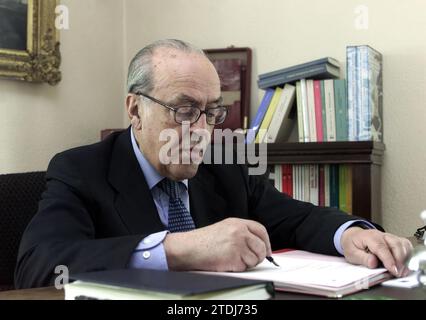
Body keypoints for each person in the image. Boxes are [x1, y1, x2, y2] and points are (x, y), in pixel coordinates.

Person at [15, 39, 412, 289]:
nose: (202, 130)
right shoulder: (80, 170)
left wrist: (349, 233)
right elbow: (38, 267)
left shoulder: (227, 163)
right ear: (135, 110)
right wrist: (178, 250)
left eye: (212, 112)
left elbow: (296, 218)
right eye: (184, 110)